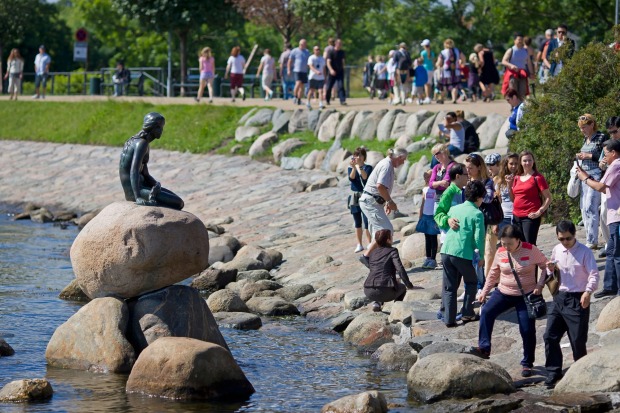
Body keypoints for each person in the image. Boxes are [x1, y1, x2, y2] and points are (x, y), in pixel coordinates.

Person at [471, 224, 549, 378]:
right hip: (503, 292)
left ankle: (527, 363)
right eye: (503, 243)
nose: (506, 247)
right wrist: (484, 292)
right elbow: (493, 274)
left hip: (526, 295)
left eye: (509, 244)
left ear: (518, 240)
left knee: (527, 329)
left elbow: (546, 266)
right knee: (486, 312)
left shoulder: (530, 249)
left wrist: (540, 285)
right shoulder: (500, 252)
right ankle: (484, 348)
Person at [543, 220, 599, 389]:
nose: (565, 242)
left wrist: (588, 292)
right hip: (560, 297)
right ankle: (553, 371)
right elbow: (551, 271)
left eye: (567, 238)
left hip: (577, 298)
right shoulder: (557, 250)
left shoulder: (585, 252)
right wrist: (550, 269)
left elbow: (594, 274)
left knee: (577, 340)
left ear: (574, 235)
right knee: (549, 335)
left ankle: (581, 372)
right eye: (561, 239)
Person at [577, 140, 620, 298]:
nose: (604, 157)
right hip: (613, 215)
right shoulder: (614, 165)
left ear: (613, 153)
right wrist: (588, 176)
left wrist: (584, 178)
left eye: (606, 154)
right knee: (610, 251)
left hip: (617, 215)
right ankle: (609, 286)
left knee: (617, 253)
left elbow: (601, 187)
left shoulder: (616, 165)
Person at [440, 180, 486, 326]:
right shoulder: (477, 214)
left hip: (446, 251)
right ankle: (467, 313)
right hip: (462, 253)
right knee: (471, 281)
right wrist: (482, 257)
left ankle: (449, 319)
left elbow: (446, 222)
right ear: (479, 197)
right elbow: (479, 238)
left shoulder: (454, 209)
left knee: (450, 288)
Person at [119, 112, 184, 210]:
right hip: (135, 191)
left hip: (143, 186)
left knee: (177, 199)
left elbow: (144, 173)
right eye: (161, 127)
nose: (162, 130)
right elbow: (134, 171)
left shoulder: (140, 142)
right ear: (154, 127)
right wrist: (138, 198)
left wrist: (155, 184)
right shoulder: (141, 144)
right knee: (178, 203)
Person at [359, 148, 408, 260]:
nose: (403, 162)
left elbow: (382, 188)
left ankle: (377, 260)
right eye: (403, 159)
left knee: (379, 232)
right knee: (386, 230)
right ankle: (366, 257)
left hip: (373, 202)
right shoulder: (386, 165)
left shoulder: (388, 164)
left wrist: (385, 202)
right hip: (370, 202)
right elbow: (380, 186)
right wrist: (390, 202)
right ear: (399, 157)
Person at [361, 229, 414, 312]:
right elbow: (400, 269)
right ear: (388, 240)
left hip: (368, 290)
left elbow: (373, 268)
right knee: (402, 287)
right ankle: (397, 309)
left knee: (385, 283)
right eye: (391, 236)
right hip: (384, 291)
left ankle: (376, 303)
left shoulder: (373, 252)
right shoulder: (392, 251)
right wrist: (409, 285)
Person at [575, 114, 606, 249]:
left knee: (590, 207)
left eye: (584, 127)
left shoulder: (600, 137)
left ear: (592, 124)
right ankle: (589, 237)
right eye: (581, 128)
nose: (582, 130)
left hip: (595, 175)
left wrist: (588, 156)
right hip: (584, 175)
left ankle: (593, 240)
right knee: (584, 209)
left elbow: (604, 157)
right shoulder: (585, 138)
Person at [509, 151, 551, 245]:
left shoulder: (538, 177)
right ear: (520, 162)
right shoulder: (517, 177)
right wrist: (509, 185)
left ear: (533, 161)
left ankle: (535, 260)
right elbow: (513, 198)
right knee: (518, 245)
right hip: (516, 216)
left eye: (529, 160)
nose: (527, 163)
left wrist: (539, 212)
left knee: (529, 245)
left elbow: (548, 198)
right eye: (524, 160)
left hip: (530, 216)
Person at [599, 117, 620, 258]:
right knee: (604, 212)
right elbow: (602, 160)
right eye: (610, 132)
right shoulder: (610, 144)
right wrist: (602, 163)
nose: (612, 135)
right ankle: (610, 243)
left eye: (614, 131)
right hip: (610, 181)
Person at [348, 147, 373, 253]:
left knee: (367, 220)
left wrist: (359, 167)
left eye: (359, 155)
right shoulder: (350, 167)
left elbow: (365, 178)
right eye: (355, 155)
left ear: (363, 157)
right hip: (354, 196)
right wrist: (354, 167)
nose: (357, 157)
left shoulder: (368, 167)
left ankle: (370, 242)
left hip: (365, 195)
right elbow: (351, 178)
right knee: (357, 221)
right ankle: (359, 244)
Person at [417, 170, 441, 269]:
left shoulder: (436, 189)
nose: (427, 179)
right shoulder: (425, 189)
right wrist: (420, 215)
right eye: (425, 177)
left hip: (433, 216)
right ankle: (428, 257)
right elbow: (423, 202)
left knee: (433, 238)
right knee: (427, 238)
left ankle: (433, 259)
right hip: (425, 216)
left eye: (429, 177)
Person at [501, 34, 534, 99]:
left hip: (522, 74)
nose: (520, 41)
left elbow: (529, 63)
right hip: (513, 74)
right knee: (513, 91)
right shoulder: (511, 50)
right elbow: (503, 61)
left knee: (523, 91)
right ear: (514, 41)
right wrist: (511, 66)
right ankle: (514, 106)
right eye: (519, 39)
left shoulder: (526, 51)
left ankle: (520, 106)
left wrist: (531, 73)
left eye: (521, 40)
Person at [436, 39, 466, 104]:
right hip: (456, 71)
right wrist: (460, 63)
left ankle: (441, 99)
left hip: (446, 72)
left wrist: (438, 65)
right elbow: (463, 58)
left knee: (443, 86)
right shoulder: (457, 51)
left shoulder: (443, 52)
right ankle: (454, 99)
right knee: (455, 86)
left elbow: (439, 63)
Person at [495, 152, 519, 233]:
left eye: (516, 163)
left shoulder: (521, 177)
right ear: (506, 164)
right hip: (504, 216)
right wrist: (496, 222)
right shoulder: (500, 180)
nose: (514, 166)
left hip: (518, 215)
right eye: (511, 163)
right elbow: (498, 200)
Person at [288, 39, 310, 105]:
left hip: (304, 71)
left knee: (302, 86)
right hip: (297, 70)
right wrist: (289, 69)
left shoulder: (307, 52)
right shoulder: (294, 51)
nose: (303, 45)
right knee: (298, 83)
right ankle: (295, 96)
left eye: (304, 44)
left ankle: (299, 100)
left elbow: (309, 61)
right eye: (302, 44)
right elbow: (290, 61)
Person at [326, 39, 347, 106]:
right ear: (335, 44)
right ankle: (327, 100)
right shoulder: (331, 52)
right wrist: (331, 70)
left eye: (341, 44)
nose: (340, 45)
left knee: (341, 86)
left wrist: (343, 68)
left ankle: (342, 100)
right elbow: (328, 62)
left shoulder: (342, 52)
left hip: (340, 72)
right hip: (332, 72)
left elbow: (343, 61)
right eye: (338, 43)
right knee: (329, 87)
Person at [420, 39, 435, 104]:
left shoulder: (423, 53)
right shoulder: (432, 53)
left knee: (426, 84)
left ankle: (427, 97)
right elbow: (433, 61)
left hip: (425, 69)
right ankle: (429, 97)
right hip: (431, 69)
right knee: (429, 84)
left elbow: (422, 61)